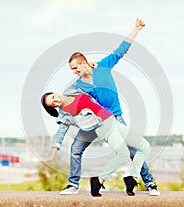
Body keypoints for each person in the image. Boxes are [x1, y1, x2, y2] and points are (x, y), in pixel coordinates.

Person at [47, 17, 160, 196]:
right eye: (72, 70)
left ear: (84, 62)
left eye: (76, 68)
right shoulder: (77, 86)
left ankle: (150, 183)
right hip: (95, 121)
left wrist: (136, 29)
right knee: (76, 149)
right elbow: (64, 101)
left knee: (133, 150)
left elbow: (121, 49)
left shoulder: (103, 66)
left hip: (115, 117)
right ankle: (73, 184)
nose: (74, 72)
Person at [41, 92, 150, 197]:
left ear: (55, 93)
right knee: (124, 155)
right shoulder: (64, 114)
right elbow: (60, 133)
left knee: (144, 146)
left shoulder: (74, 92)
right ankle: (98, 181)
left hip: (111, 119)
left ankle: (133, 178)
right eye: (53, 104)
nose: (56, 100)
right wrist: (53, 152)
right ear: (54, 107)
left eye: (53, 97)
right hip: (102, 126)